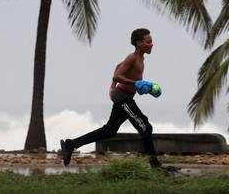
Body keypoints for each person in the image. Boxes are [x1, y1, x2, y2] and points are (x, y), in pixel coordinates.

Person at [60, 28, 163, 168]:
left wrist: (146, 88)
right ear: (139, 43)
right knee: (145, 126)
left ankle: (71, 144)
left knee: (109, 130)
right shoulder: (132, 57)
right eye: (148, 41)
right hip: (123, 98)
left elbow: (118, 67)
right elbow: (117, 75)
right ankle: (155, 166)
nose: (152, 44)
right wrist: (118, 87)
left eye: (151, 41)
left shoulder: (141, 58)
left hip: (124, 96)